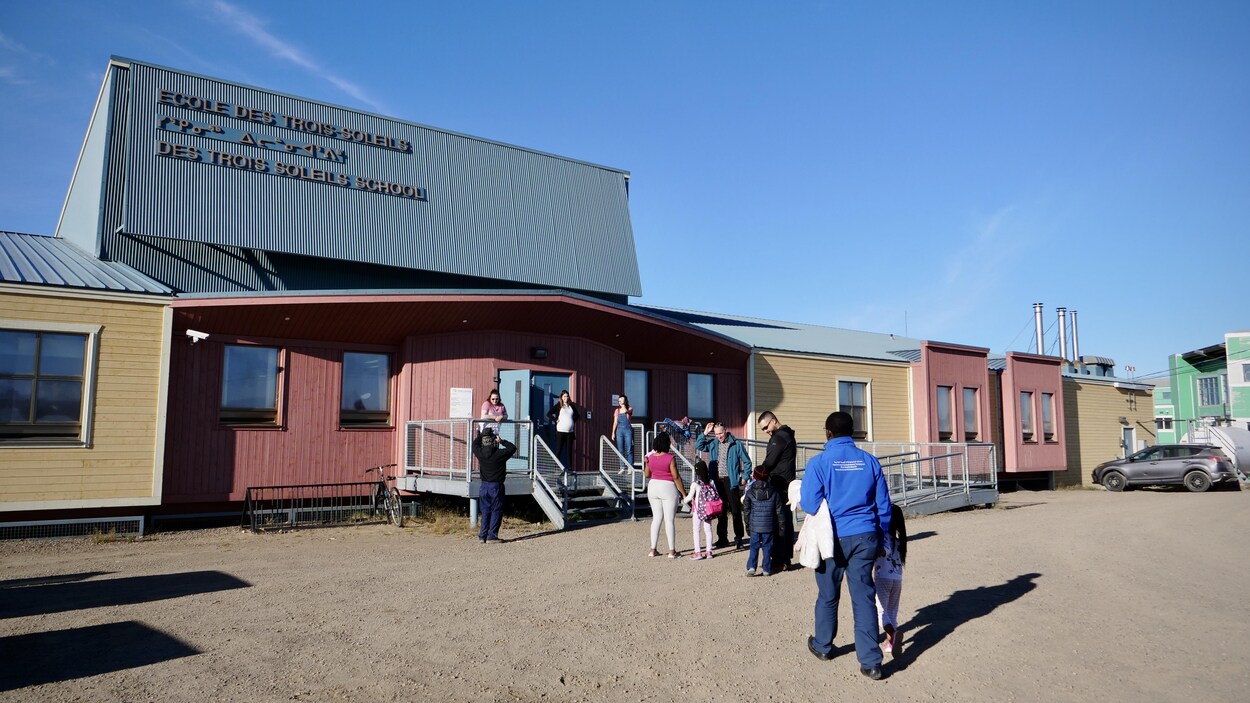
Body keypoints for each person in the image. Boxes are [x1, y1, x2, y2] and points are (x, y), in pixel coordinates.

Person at [800, 411, 893, 681]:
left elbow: (809, 503)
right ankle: (871, 663)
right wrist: (882, 534)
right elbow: (883, 506)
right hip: (866, 535)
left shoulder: (818, 463)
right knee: (863, 596)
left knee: (828, 595)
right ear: (851, 432)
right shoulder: (870, 461)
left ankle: (823, 646)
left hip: (832, 538)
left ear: (827, 433)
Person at [698, 422, 752, 548]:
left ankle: (739, 538)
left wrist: (745, 476)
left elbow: (747, 462)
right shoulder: (713, 443)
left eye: (721, 433)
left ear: (726, 430)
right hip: (717, 481)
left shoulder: (736, 444)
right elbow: (699, 445)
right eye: (716, 434)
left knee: (735, 511)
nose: (719, 436)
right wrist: (705, 433)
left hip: (731, 480)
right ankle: (722, 538)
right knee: (720, 511)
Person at [758, 410, 797, 571]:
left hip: (779, 486)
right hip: (784, 484)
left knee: (779, 524)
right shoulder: (787, 436)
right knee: (784, 523)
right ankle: (783, 558)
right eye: (762, 429)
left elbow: (769, 462)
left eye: (766, 427)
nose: (765, 431)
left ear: (773, 421)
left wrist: (758, 475)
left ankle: (780, 560)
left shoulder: (779, 438)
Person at [645, 431, 686, 558]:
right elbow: (675, 476)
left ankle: (652, 549)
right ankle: (672, 551)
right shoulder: (670, 458)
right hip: (667, 487)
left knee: (656, 519)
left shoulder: (650, 458)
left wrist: (647, 463)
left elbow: (647, 474)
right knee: (669, 520)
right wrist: (684, 493)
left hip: (653, 486)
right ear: (666, 444)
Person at [472, 427, 517, 544]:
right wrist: (501, 441)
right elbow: (512, 448)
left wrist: (481, 435)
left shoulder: (480, 453)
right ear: (493, 441)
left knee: (485, 510)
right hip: (496, 486)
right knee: (496, 510)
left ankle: (482, 536)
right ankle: (492, 536)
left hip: (484, 486)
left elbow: (474, 444)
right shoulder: (499, 454)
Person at [875, 504, 908, 656]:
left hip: (883, 579)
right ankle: (889, 642)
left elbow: (884, 550)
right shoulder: (900, 541)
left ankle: (891, 632)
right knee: (892, 611)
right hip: (897, 579)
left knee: (881, 611)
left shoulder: (884, 539)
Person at [743, 467, 785, 577]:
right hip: (769, 525)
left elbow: (746, 510)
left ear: (755, 477)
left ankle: (752, 567)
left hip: (755, 525)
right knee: (767, 547)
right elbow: (779, 511)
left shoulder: (750, 492)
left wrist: (747, 524)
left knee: (754, 546)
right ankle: (766, 568)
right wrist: (781, 526)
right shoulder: (774, 492)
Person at [681, 459, 720, 560]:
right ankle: (709, 551)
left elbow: (689, 498)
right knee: (708, 529)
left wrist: (683, 500)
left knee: (696, 530)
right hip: (708, 509)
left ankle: (698, 553)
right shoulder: (711, 482)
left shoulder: (695, 483)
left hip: (698, 511)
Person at [545, 390, 579, 470]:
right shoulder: (558, 405)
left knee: (569, 451)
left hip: (570, 432)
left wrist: (572, 422)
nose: (566, 398)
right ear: (561, 397)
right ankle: (556, 467)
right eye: (564, 396)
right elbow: (549, 413)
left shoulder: (571, 405)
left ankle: (570, 468)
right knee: (559, 450)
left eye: (567, 396)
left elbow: (577, 415)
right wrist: (555, 420)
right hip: (560, 431)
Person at [611, 394, 634, 472]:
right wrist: (613, 433)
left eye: (621, 400)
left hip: (628, 430)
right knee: (620, 450)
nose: (620, 401)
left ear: (625, 400)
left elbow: (629, 411)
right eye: (619, 400)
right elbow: (615, 422)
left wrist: (624, 408)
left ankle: (630, 467)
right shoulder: (617, 410)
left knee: (629, 449)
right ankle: (622, 467)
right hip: (619, 431)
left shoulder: (629, 408)